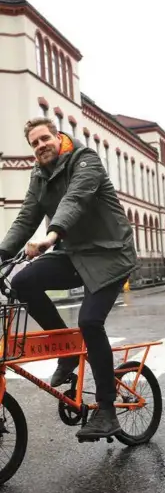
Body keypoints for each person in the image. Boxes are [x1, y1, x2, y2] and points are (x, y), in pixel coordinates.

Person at [0, 117, 137, 440]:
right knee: (22, 282)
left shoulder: (85, 160)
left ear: (58, 136)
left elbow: (75, 199)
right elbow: (26, 217)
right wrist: (2, 252)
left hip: (109, 255)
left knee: (90, 322)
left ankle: (106, 411)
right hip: (73, 253)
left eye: (44, 138)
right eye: (34, 143)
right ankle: (66, 350)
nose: (40, 145)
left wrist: (50, 237)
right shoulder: (40, 174)